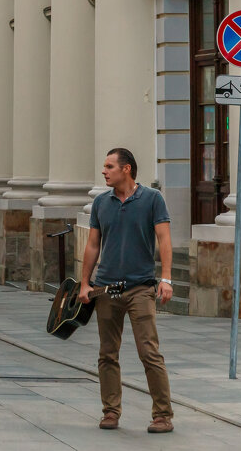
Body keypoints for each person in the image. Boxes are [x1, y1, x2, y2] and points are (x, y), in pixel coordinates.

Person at [78, 148, 174, 434]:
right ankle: (110, 412)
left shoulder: (152, 199)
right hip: (107, 288)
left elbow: (164, 239)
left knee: (149, 352)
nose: (104, 171)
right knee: (107, 353)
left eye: (109, 166)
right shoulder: (100, 203)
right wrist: (85, 283)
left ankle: (162, 415)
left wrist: (166, 278)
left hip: (141, 288)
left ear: (127, 169)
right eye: (104, 166)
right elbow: (93, 244)